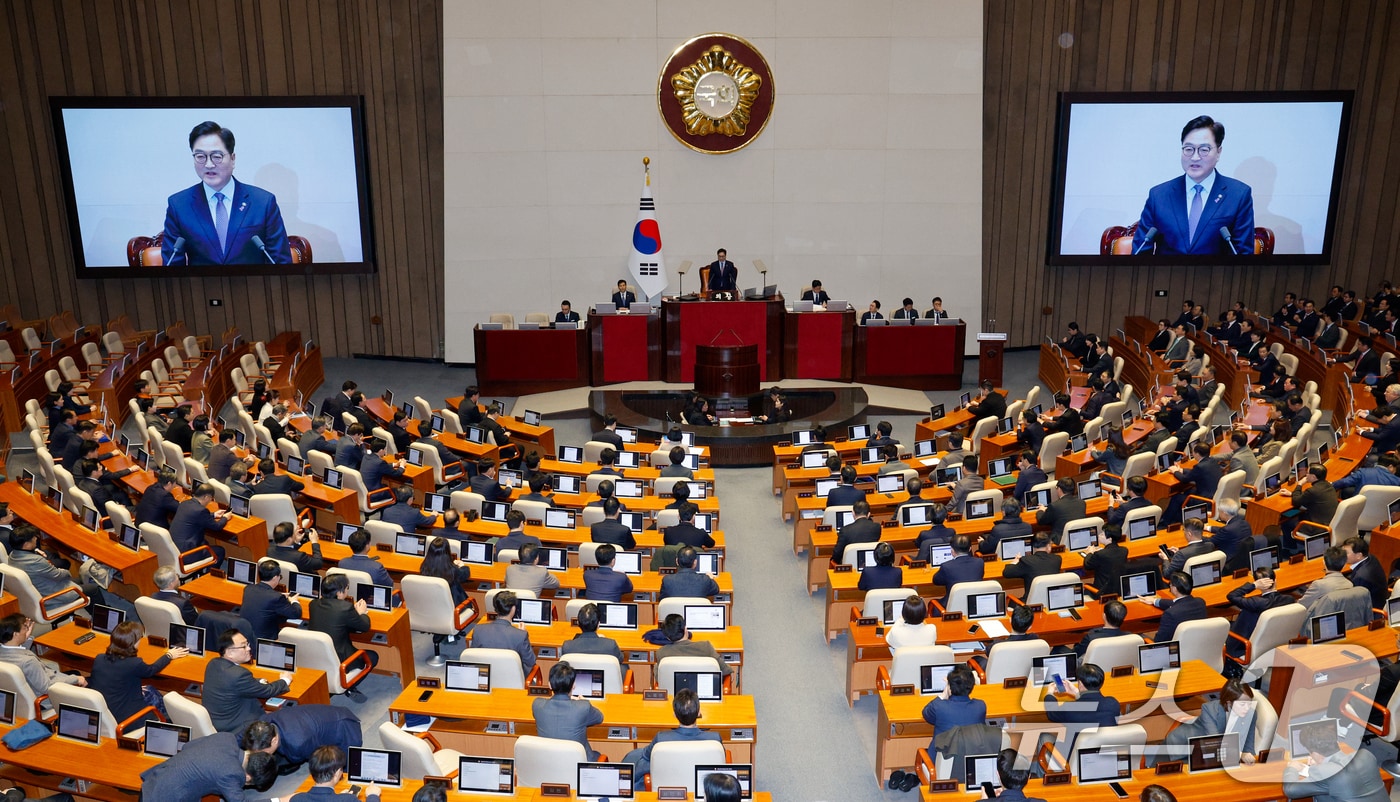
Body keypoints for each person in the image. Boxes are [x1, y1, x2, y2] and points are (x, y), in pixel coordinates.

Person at [161, 120, 291, 265]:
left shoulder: (263, 202)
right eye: (200, 156)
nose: (209, 164)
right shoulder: (179, 205)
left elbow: (280, 263)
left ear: (233, 159)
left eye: (217, 156)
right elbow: (171, 268)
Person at [1131, 115, 1254, 255]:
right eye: (1188, 149)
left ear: (1219, 152)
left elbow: (1243, 255)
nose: (1195, 157)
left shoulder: (1238, 195)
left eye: (1204, 149)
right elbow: (1140, 255)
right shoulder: (1158, 196)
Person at [137, 720, 279, 802]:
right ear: (248, 777)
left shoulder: (226, 738)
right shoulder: (231, 775)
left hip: (154, 780)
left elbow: (187, 746)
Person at [90, 621, 187, 728]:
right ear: (134, 642)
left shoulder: (99, 659)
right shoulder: (134, 664)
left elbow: (115, 679)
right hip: (127, 718)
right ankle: (169, 723)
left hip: (105, 712)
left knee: (150, 689)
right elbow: (152, 670)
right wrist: (169, 655)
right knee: (161, 711)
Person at [620, 689, 722, 789]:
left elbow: (645, 757)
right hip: (706, 789)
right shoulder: (715, 740)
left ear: (674, 714)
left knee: (637, 757)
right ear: (699, 713)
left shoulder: (661, 739)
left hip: (668, 790)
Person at [202, 629, 292, 733]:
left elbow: (234, 684)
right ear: (230, 653)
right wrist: (285, 680)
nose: (249, 648)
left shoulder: (213, 663)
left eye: (247, 644)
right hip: (237, 727)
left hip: (217, 722)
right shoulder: (239, 675)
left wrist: (257, 681)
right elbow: (267, 691)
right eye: (243, 646)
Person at [1282, 720, 1389, 802]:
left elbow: (1290, 790)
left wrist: (1292, 768)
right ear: (1336, 742)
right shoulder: (1366, 755)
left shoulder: (1323, 772)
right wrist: (1322, 763)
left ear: (1314, 754)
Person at [308, 573, 376, 697]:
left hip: (317, 655)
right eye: (347, 587)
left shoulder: (313, 604)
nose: (347, 590)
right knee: (372, 656)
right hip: (340, 658)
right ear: (339, 593)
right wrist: (361, 613)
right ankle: (348, 686)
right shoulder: (345, 607)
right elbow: (365, 627)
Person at [0, 613, 87, 696]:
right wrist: (76, 679)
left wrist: (25, 637)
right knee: (85, 681)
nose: (27, 629)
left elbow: (18, 653)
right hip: (47, 697)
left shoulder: (3, 651)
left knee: (75, 672)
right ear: (15, 634)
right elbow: (47, 687)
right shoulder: (29, 662)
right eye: (25, 627)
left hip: (27, 692)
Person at [533, 661, 605, 759]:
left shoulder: (537, 705)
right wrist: (584, 701)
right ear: (573, 685)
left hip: (549, 763)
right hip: (578, 765)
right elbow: (599, 717)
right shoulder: (583, 707)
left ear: (549, 685)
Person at [1045, 663, 1120, 749]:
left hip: (1073, 757)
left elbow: (1052, 713)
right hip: (1104, 754)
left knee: (1044, 737)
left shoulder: (1070, 708)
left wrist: (1049, 693)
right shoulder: (1113, 704)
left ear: (1080, 683)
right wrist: (1077, 693)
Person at [921, 666, 987, 754]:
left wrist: (943, 694)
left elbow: (926, 713)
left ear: (949, 687)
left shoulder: (938, 707)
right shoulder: (980, 706)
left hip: (940, 763)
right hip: (967, 762)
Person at [469, 591, 535, 671]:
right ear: (513, 608)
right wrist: (522, 633)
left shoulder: (478, 630)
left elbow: (473, 658)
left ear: (495, 608)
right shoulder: (520, 635)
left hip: (486, 677)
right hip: (512, 679)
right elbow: (531, 661)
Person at [289, 745, 380, 802]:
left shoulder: (296, 799)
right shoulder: (349, 800)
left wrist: (339, 797)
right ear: (336, 774)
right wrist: (373, 796)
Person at [241, 559, 304, 642]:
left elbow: (263, 597)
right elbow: (296, 614)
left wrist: (278, 595)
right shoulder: (276, 598)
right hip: (264, 640)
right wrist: (294, 601)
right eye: (280, 577)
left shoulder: (248, 588)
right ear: (275, 577)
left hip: (245, 634)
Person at [655, 613, 732, 678]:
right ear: (685, 629)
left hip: (675, 695)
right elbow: (725, 670)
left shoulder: (661, 653)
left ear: (667, 637)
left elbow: (660, 679)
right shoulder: (705, 647)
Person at [169, 483, 231, 563]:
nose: (210, 500)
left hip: (175, 548)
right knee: (219, 551)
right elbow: (217, 526)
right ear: (206, 497)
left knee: (206, 542)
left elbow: (195, 515)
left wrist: (214, 514)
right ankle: (207, 574)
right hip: (187, 554)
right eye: (211, 498)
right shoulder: (201, 510)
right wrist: (225, 517)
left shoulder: (185, 504)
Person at [1142, 571, 1206, 643]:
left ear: (1175, 589)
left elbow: (1159, 642)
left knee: (1140, 636)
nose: (1169, 586)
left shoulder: (1170, 614)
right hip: (1196, 643)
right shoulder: (1201, 603)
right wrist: (1155, 601)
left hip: (1175, 649)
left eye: (1170, 584)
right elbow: (1178, 603)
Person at [932, 534, 984, 607]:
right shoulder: (979, 562)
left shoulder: (946, 566)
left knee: (933, 605)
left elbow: (936, 581)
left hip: (952, 605)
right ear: (970, 549)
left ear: (952, 551)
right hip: (975, 604)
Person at [1037, 478, 1086, 544]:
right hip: (1078, 538)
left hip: (1059, 540)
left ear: (1059, 489)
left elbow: (1041, 521)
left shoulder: (1054, 506)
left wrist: (1041, 510)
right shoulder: (1082, 503)